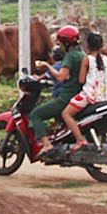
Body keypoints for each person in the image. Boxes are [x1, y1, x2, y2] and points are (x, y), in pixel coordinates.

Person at [31, 25, 85, 157]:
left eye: (60, 43)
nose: (59, 45)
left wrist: (47, 65)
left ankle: (47, 144)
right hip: (79, 95)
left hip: (66, 97)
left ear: (66, 43)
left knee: (36, 115)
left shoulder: (70, 56)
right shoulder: (82, 55)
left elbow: (61, 76)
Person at [62, 31, 107, 152]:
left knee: (66, 114)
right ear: (101, 45)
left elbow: (81, 80)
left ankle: (80, 140)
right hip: (104, 98)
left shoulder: (87, 60)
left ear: (88, 45)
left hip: (88, 96)